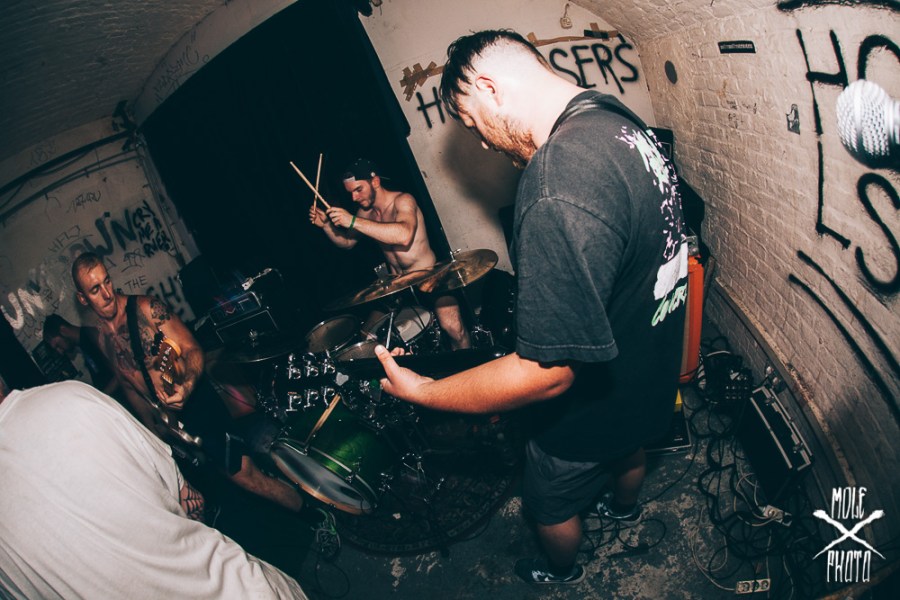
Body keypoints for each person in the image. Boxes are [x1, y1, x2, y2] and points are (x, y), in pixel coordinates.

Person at [373, 30, 689, 586]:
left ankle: (562, 572)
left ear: (490, 88)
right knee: (630, 449)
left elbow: (546, 374)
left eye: (473, 123)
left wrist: (424, 392)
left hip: (590, 410)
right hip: (649, 375)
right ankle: (624, 510)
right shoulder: (616, 120)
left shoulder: (555, 183)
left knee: (548, 503)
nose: (483, 143)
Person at [0, 379, 307, 599]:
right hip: (238, 590)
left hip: (193, 412)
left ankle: (310, 513)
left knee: (246, 474)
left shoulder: (137, 318)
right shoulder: (70, 396)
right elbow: (190, 502)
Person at [70, 252, 304, 513]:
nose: (107, 294)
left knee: (247, 477)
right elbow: (129, 385)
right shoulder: (101, 339)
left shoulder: (146, 309)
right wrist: (154, 433)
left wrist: (187, 386)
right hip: (173, 424)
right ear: (82, 298)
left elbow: (192, 349)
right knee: (217, 486)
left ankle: (311, 512)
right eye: (95, 289)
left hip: (196, 403)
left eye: (107, 281)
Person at [309, 158, 471, 350]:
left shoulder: (403, 200)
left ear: (375, 181)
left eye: (358, 189)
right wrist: (326, 226)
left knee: (454, 328)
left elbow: (404, 236)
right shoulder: (365, 213)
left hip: (430, 277)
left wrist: (352, 221)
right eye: (350, 193)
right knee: (367, 336)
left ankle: (470, 363)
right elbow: (347, 243)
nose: (354, 198)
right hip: (397, 285)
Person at [42, 313, 118, 396]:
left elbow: (120, 374)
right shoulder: (85, 344)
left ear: (64, 330)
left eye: (58, 345)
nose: (60, 351)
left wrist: (101, 396)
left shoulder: (93, 337)